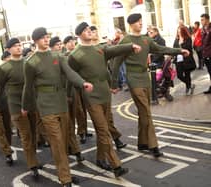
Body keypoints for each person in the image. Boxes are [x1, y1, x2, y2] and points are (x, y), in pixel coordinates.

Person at [22, 27, 93, 187]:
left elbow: (69, 73)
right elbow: (28, 87)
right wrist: (25, 106)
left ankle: (65, 172)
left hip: (61, 102)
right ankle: (65, 179)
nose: (46, 40)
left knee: (65, 139)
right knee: (57, 141)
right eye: (42, 38)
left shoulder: (58, 56)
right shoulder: (31, 62)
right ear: (35, 41)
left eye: (47, 37)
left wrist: (83, 83)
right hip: (46, 105)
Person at [111, 13, 190, 157]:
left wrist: (179, 50)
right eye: (137, 22)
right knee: (146, 112)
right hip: (133, 79)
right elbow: (116, 62)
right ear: (131, 24)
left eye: (141, 21)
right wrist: (114, 83)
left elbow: (161, 49)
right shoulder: (126, 41)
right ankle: (154, 145)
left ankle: (142, 143)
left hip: (145, 77)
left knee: (143, 113)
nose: (141, 24)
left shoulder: (146, 40)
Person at [68, 22, 141, 177]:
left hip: (104, 94)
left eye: (89, 29)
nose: (89, 31)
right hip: (91, 95)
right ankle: (117, 166)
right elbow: (70, 76)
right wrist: (71, 94)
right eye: (85, 30)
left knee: (105, 128)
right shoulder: (75, 54)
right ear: (79, 34)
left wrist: (130, 46)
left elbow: (114, 49)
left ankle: (100, 158)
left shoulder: (99, 48)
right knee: (102, 130)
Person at [0, 38, 41, 177]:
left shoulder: (29, 63)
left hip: (31, 103)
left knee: (33, 133)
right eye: (15, 46)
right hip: (16, 106)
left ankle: (34, 159)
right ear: (8, 50)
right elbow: (0, 87)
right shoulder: (4, 68)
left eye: (20, 45)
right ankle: (33, 165)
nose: (18, 48)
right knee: (26, 136)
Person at [173, 26, 196, 95]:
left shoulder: (188, 38)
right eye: (178, 31)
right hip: (178, 59)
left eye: (180, 31)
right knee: (179, 75)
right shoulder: (176, 39)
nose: (178, 33)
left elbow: (188, 48)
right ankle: (190, 85)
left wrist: (181, 46)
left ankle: (188, 87)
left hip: (186, 59)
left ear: (183, 32)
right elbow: (174, 48)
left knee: (187, 74)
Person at [200, 13, 211, 94]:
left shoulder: (209, 29)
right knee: (210, 72)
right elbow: (203, 42)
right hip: (206, 54)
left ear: (207, 19)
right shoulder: (203, 29)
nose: (201, 21)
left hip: (210, 54)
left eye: (202, 20)